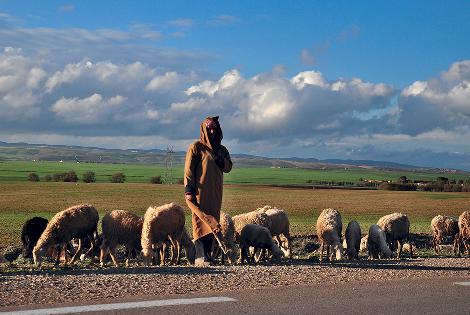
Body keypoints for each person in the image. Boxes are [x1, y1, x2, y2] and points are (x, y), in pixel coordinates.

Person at [184, 116, 232, 266]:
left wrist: (221, 160)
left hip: (215, 192)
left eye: (214, 129)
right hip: (200, 192)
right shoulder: (196, 147)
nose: (212, 131)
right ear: (203, 129)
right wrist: (189, 190)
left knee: (214, 221)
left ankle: (209, 255)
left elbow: (228, 167)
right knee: (201, 219)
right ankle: (200, 256)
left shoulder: (221, 150)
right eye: (209, 128)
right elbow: (189, 170)